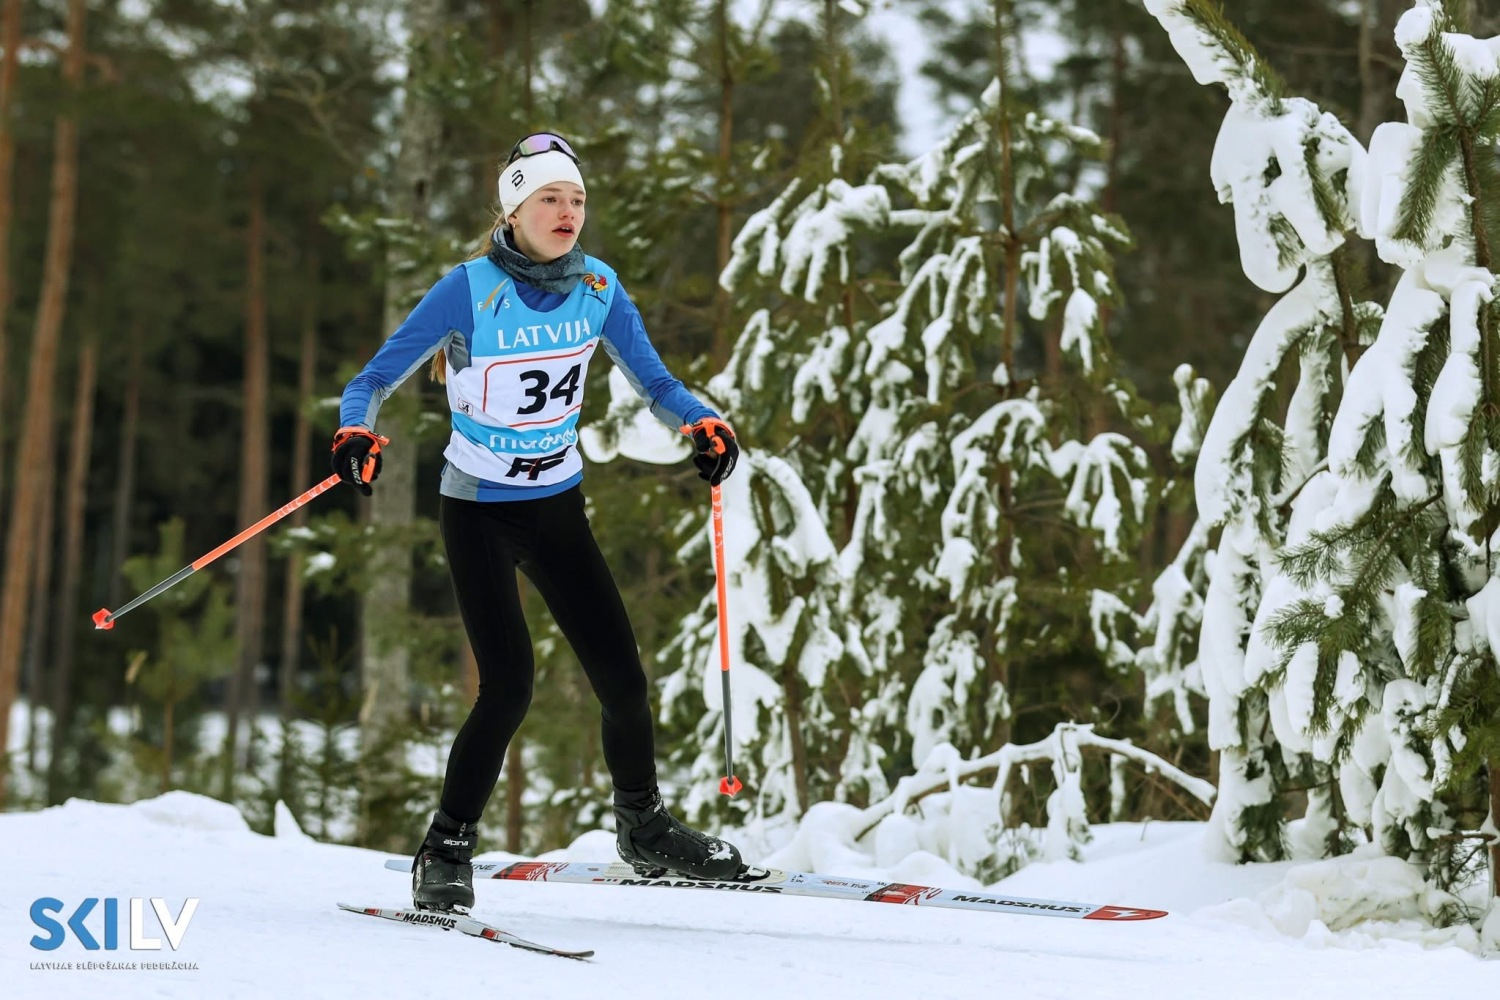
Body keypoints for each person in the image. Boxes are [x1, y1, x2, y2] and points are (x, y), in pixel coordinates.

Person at [332, 132, 744, 913]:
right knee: (509, 686)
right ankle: (446, 846)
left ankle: (643, 827)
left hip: (556, 505)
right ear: (514, 208)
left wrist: (701, 421)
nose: (567, 212)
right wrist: (357, 428)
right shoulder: (467, 289)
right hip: (480, 511)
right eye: (550, 198)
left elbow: (654, 380)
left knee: (623, 679)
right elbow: (375, 376)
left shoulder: (598, 287)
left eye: (577, 199)